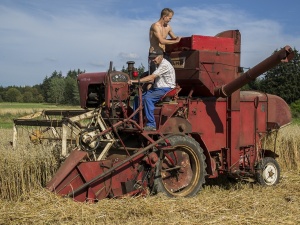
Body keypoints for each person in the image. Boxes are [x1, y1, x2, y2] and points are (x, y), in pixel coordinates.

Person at [128, 49, 176, 131]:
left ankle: (151, 124)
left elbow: (152, 77)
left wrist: (135, 81)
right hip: (158, 87)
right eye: (152, 58)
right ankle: (136, 121)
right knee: (137, 98)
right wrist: (150, 83)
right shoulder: (158, 64)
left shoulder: (164, 65)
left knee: (148, 98)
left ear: (161, 57)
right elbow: (154, 78)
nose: (153, 60)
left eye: (154, 57)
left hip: (166, 88)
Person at [149, 8, 181, 73]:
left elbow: (175, 38)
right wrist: (176, 41)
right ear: (164, 17)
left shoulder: (168, 27)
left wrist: (181, 40)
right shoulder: (155, 26)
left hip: (163, 53)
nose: (170, 20)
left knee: (171, 71)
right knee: (154, 76)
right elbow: (161, 41)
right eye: (170, 18)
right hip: (154, 53)